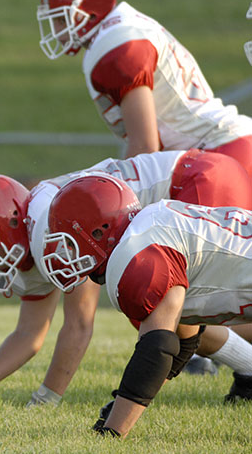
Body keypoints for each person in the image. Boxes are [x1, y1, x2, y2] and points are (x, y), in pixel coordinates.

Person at [0, 148, 252, 405]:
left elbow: (79, 324)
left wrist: (47, 398)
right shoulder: (36, 232)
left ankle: (247, 366)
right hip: (199, 178)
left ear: (13, 224)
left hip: (198, 180)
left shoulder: (50, 233)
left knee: (172, 314)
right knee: (175, 315)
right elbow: (29, 334)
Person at [41, 174, 252, 437]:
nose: (68, 254)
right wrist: (124, 404)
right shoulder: (152, 225)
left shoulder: (137, 249)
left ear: (98, 231)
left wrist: (112, 430)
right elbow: (182, 340)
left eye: (69, 242)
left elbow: (158, 347)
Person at [37, 0, 252, 173]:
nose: (56, 30)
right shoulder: (123, 28)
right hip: (223, 150)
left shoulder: (114, 45)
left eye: (61, 21)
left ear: (88, 13)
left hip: (218, 154)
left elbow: (144, 147)